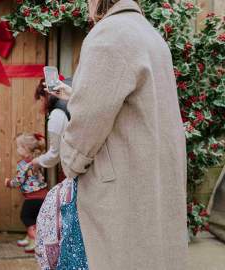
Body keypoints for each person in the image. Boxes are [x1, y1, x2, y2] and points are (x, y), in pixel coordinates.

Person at [56, 0, 187, 269]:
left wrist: (69, 161)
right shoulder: (150, 35)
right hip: (148, 182)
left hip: (118, 194)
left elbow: (88, 121)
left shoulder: (109, 34)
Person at [5, 133, 48, 253]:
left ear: (27, 150)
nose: (17, 149)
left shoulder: (23, 165)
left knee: (26, 217)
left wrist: (9, 183)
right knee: (34, 218)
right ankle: (29, 237)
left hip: (32, 198)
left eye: (19, 147)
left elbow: (18, 181)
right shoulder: (39, 160)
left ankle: (34, 240)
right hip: (43, 195)